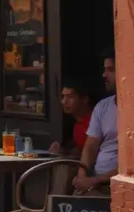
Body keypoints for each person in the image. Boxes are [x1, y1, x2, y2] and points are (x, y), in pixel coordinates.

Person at [73, 51, 118, 195]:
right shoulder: (102, 106)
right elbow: (91, 145)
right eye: (104, 69)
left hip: (113, 184)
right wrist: (82, 174)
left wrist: (97, 180)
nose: (104, 75)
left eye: (110, 70)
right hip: (94, 180)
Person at [50, 79, 94, 157]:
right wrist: (62, 149)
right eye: (63, 96)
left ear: (85, 99)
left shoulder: (95, 122)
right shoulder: (77, 123)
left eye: (70, 97)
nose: (64, 101)